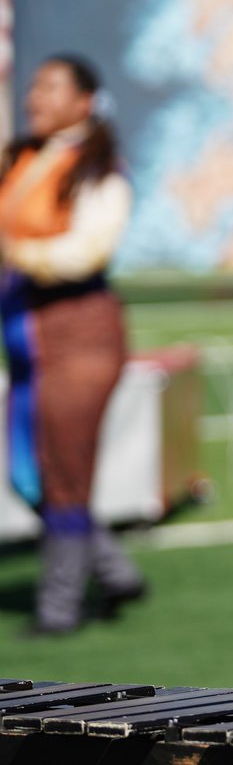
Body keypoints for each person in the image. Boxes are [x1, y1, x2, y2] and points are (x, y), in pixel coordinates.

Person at [0, 54, 145, 635]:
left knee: (64, 475)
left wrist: (16, 253)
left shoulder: (100, 168)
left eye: (51, 87)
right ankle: (114, 572)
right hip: (28, 341)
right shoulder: (24, 157)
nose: (35, 97)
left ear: (84, 101)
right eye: (34, 86)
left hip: (79, 338)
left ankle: (58, 607)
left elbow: (85, 252)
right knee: (27, 475)